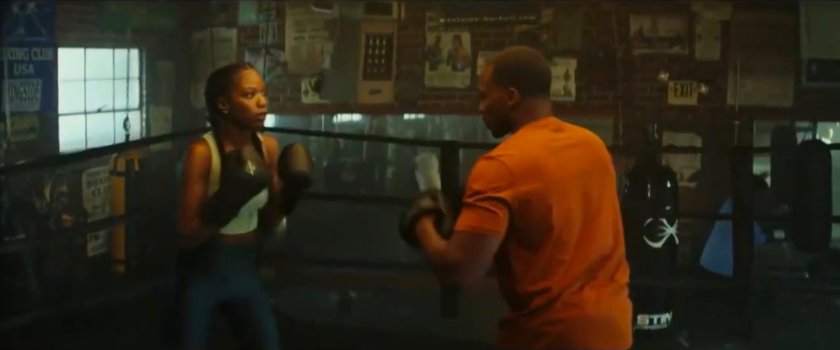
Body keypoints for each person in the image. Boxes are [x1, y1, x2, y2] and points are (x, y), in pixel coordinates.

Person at [399, 46, 633, 350]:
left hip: (548, 338)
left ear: (511, 97)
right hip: (612, 332)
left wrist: (423, 218)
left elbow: (459, 272)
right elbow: (556, 239)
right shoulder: (593, 146)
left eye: (485, 96)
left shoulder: (501, 165)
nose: (481, 107)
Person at [175, 62, 312, 350]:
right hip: (204, 273)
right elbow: (186, 233)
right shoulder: (203, 153)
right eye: (250, 94)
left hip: (245, 270)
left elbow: (269, 222)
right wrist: (230, 199)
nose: (262, 102)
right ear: (224, 104)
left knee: (269, 344)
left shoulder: (268, 148)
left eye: (263, 93)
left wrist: (291, 194)